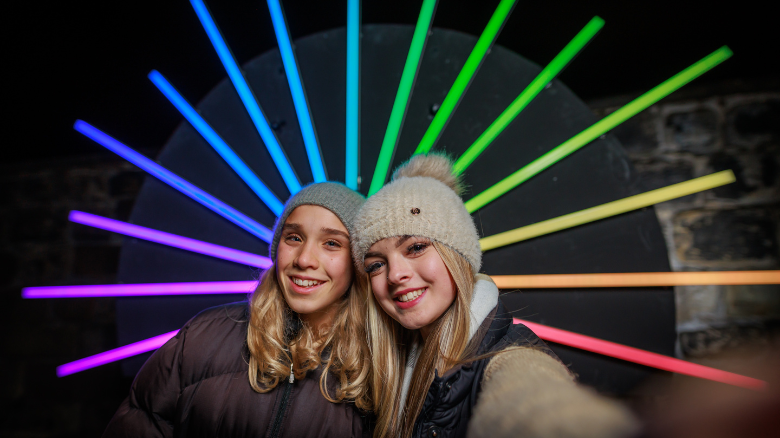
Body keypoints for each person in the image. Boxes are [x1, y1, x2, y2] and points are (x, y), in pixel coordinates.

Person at [352, 154, 639, 438]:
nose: (394, 275)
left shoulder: (511, 357)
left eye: (415, 248)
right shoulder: (387, 369)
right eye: (376, 264)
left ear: (458, 255)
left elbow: (532, 403)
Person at [103, 182, 373, 437]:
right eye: (293, 237)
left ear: (358, 262)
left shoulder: (381, 364)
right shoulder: (201, 336)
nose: (304, 259)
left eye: (332, 243)